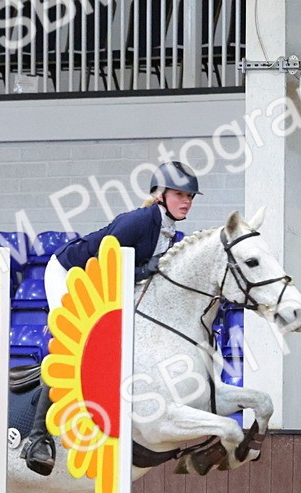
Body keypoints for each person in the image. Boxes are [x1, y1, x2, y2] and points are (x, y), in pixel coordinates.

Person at [22, 161, 201, 476]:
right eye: (179, 194)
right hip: (70, 272)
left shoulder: (170, 232)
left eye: (190, 196)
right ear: (160, 195)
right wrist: (147, 270)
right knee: (72, 346)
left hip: (103, 281)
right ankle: (37, 438)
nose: (186, 201)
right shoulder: (140, 221)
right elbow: (103, 267)